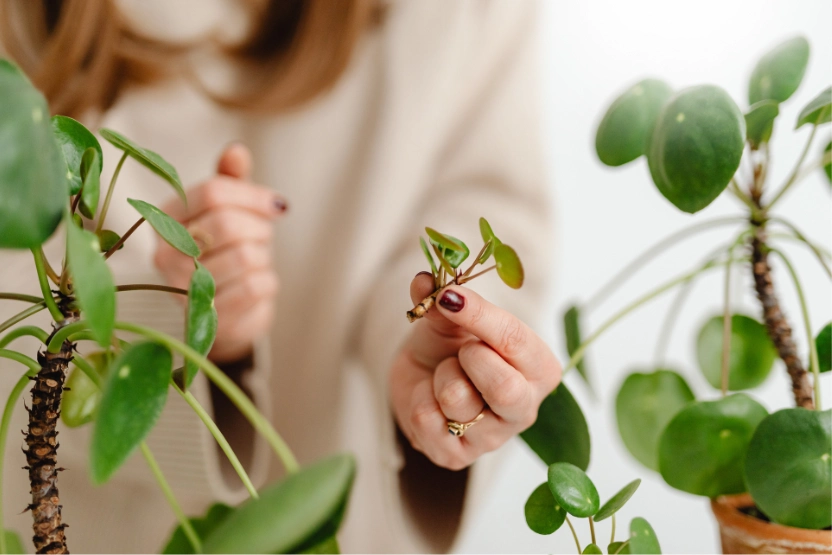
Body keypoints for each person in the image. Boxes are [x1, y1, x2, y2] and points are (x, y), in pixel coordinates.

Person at [0, 0, 559, 552]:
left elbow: (482, 201)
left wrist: (450, 351)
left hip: (338, 498)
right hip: (78, 519)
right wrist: (173, 324)